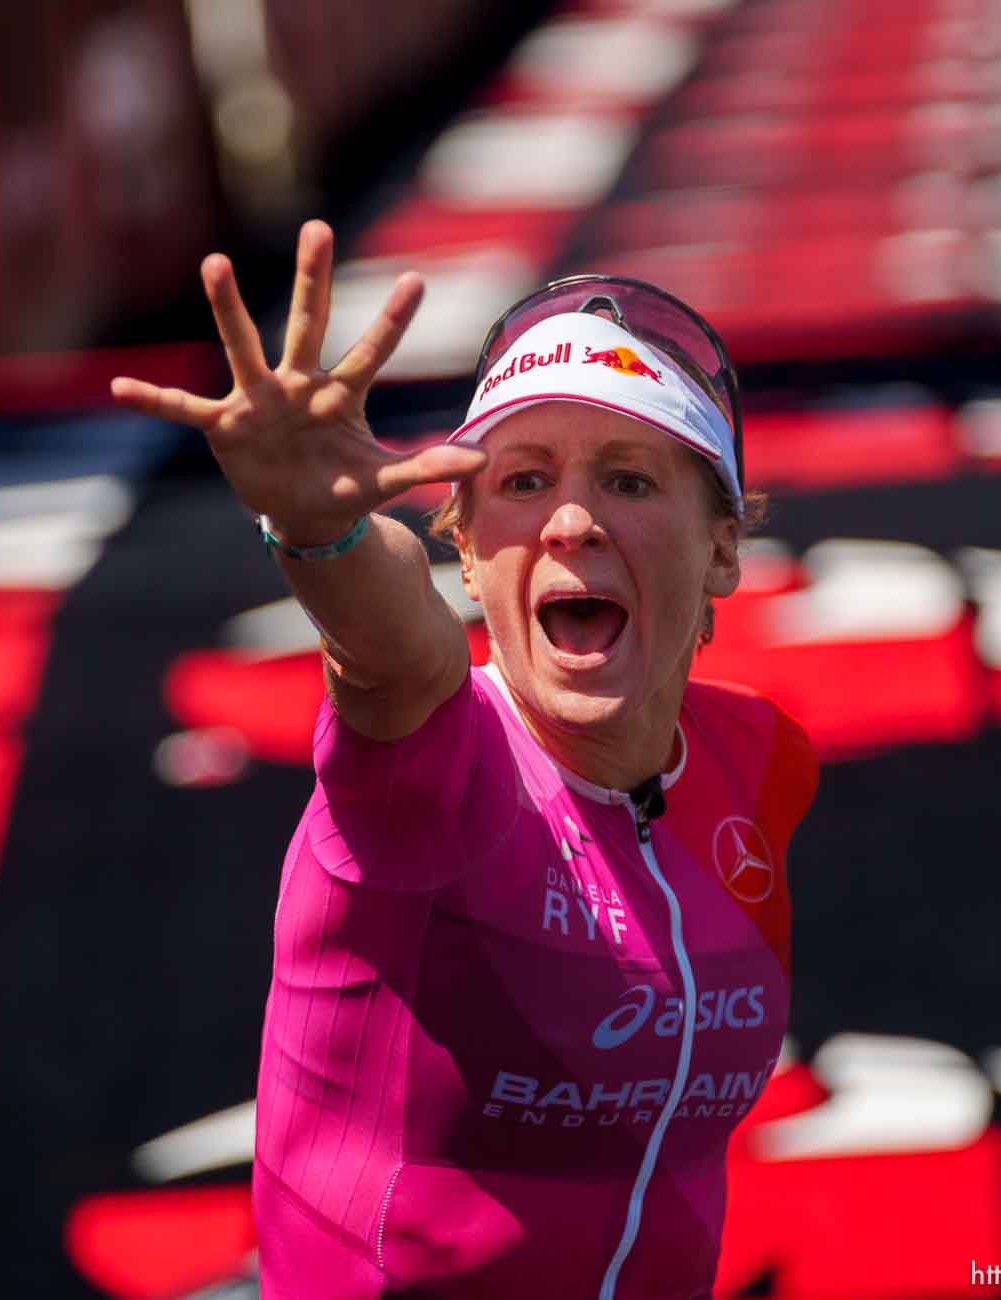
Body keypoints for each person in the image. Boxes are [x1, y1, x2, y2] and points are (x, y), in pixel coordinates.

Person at [112, 221, 817, 1300]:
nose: (574, 520)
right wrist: (315, 529)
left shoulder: (758, 760)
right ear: (468, 549)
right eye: (524, 482)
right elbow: (391, 652)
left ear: (722, 546)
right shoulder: (428, 770)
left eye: (630, 481)